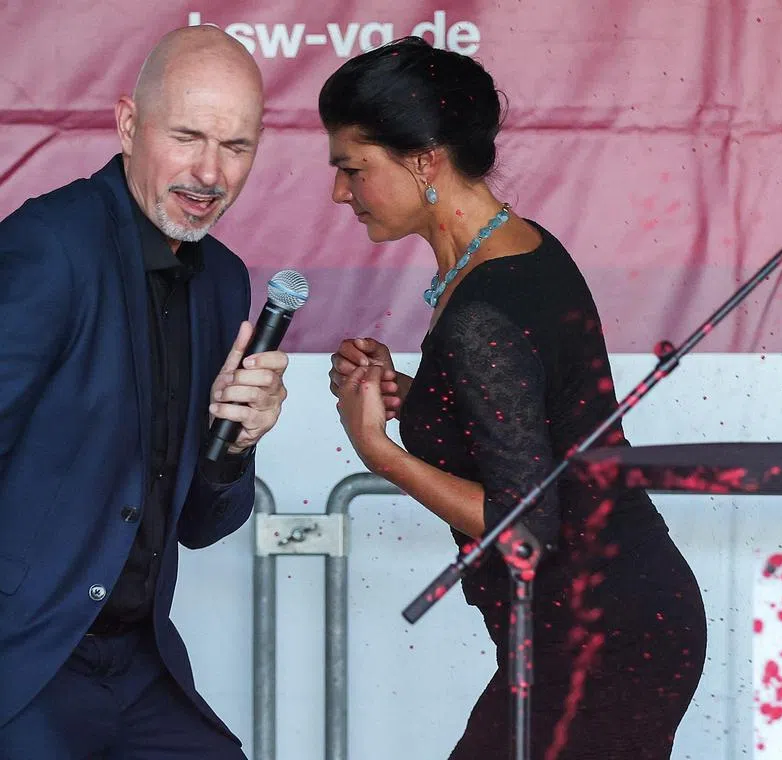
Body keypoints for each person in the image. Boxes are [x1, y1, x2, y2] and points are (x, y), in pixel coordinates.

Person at [324, 36, 707, 758]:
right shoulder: (514, 250)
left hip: (601, 639)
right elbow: (536, 424)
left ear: (423, 160)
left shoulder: (483, 312)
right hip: (608, 622)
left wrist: (377, 449)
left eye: (352, 168)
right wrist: (416, 395)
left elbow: (526, 528)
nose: (340, 193)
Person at [0, 26, 288, 759]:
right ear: (129, 126)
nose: (210, 173)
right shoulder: (49, 247)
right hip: (28, 661)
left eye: (236, 147)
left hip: (137, 665)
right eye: (187, 137)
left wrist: (234, 445)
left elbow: (199, 523)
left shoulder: (224, 279)